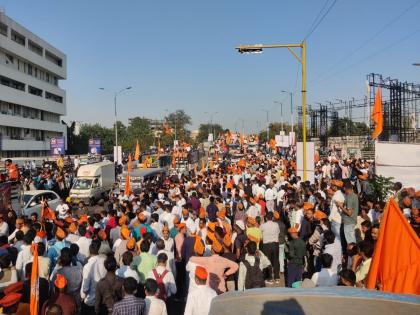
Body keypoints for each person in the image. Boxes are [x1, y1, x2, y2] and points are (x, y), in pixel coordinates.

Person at [81, 241, 106, 314]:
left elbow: (85, 289)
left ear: (89, 252)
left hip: (91, 302)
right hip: (102, 300)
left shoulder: (87, 266)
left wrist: (83, 296)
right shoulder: (104, 261)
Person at [260, 212, 280, 283]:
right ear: (272, 218)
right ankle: (277, 277)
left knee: (267, 261)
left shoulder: (263, 225)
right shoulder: (276, 224)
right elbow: (278, 232)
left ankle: (269, 278)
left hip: (266, 245)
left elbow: (261, 237)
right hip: (275, 244)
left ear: (266, 218)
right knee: (276, 260)